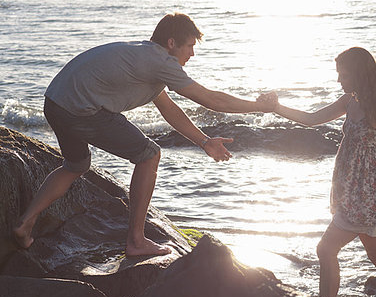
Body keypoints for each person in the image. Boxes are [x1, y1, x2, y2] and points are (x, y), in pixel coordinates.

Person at [13, 13, 275, 257]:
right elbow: (211, 99)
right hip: (78, 108)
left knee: (76, 164)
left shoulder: (146, 58)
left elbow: (169, 110)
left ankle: (25, 224)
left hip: (55, 102)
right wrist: (259, 106)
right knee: (149, 155)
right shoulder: (160, 61)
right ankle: (136, 241)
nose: (192, 54)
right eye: (190, 46)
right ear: (171, 43)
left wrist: (204, 142)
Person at [259, 47, 376, 297]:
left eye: (345, 75)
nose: (339, 80)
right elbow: (312, 119)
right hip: (352, 191)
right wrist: (276, 108)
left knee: (327, 249)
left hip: (370, 194)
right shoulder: (350, 100)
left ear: (360, 75)